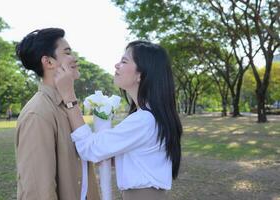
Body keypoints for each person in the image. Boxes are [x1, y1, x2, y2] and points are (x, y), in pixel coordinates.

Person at [55, 40, 183, 200]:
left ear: (140, 74)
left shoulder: (144, 119)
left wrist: (69, 97)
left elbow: (89, 149)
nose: (116, 65)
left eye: (124, 61)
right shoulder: (150, 115)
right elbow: (139, 158)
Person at [15, 28, 100, 200]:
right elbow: (38, 190)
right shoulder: (37, 114)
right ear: (48, 62)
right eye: (67, 52)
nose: (74, 58)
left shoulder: (68, 106)